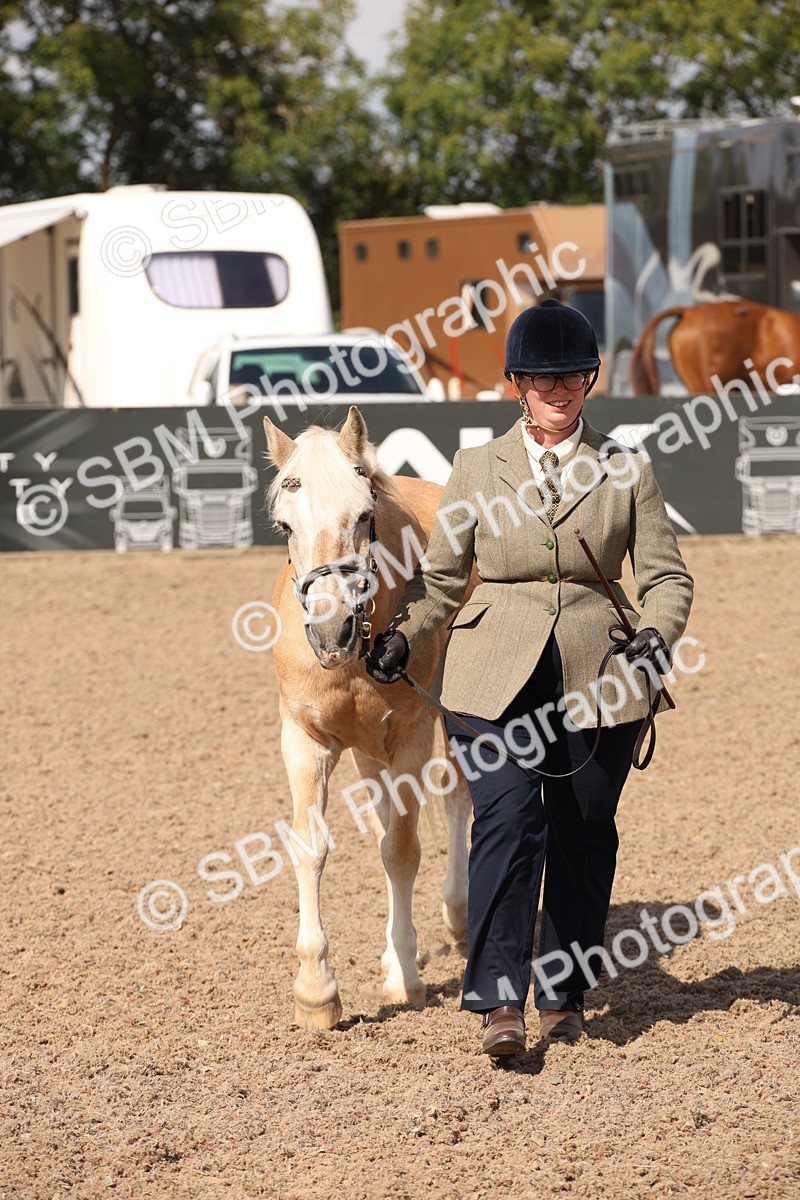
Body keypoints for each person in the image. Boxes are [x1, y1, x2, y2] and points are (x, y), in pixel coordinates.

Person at [365, 298, 694, 1057]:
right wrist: (405, 633)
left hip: (600, 674)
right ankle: (498, 1000)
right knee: (509, 820)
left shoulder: (626, 469)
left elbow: (667, 577)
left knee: (583, 830)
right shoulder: (477, 469)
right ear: (516, 384)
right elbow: (442, 582)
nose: (558, 389)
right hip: (491, 673)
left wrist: (657, 630)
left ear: (590, 380)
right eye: (543, 378)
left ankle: (564, 992)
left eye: (572, 375)